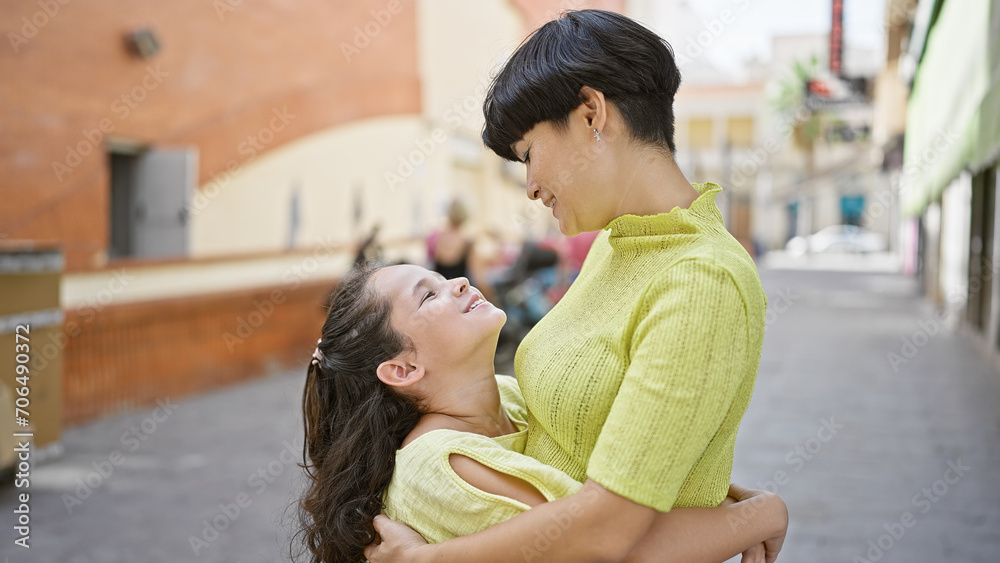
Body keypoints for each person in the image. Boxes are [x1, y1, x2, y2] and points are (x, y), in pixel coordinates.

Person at [366, 9, 779, 563]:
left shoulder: (702, 280)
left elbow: (607, 535)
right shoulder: (617, 243)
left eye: (528, 154)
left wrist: (424, 560)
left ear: (591, 115)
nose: (531, 186)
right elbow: (609, 432)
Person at [297, 264, 787, 563]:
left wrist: (725, 493)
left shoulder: (508, 398)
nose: (460, 283)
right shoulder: (441, 466)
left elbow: (615, 466)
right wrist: (762, 513)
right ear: (403, 368)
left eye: (444, 279)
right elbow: (619, 547)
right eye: (429, 295)